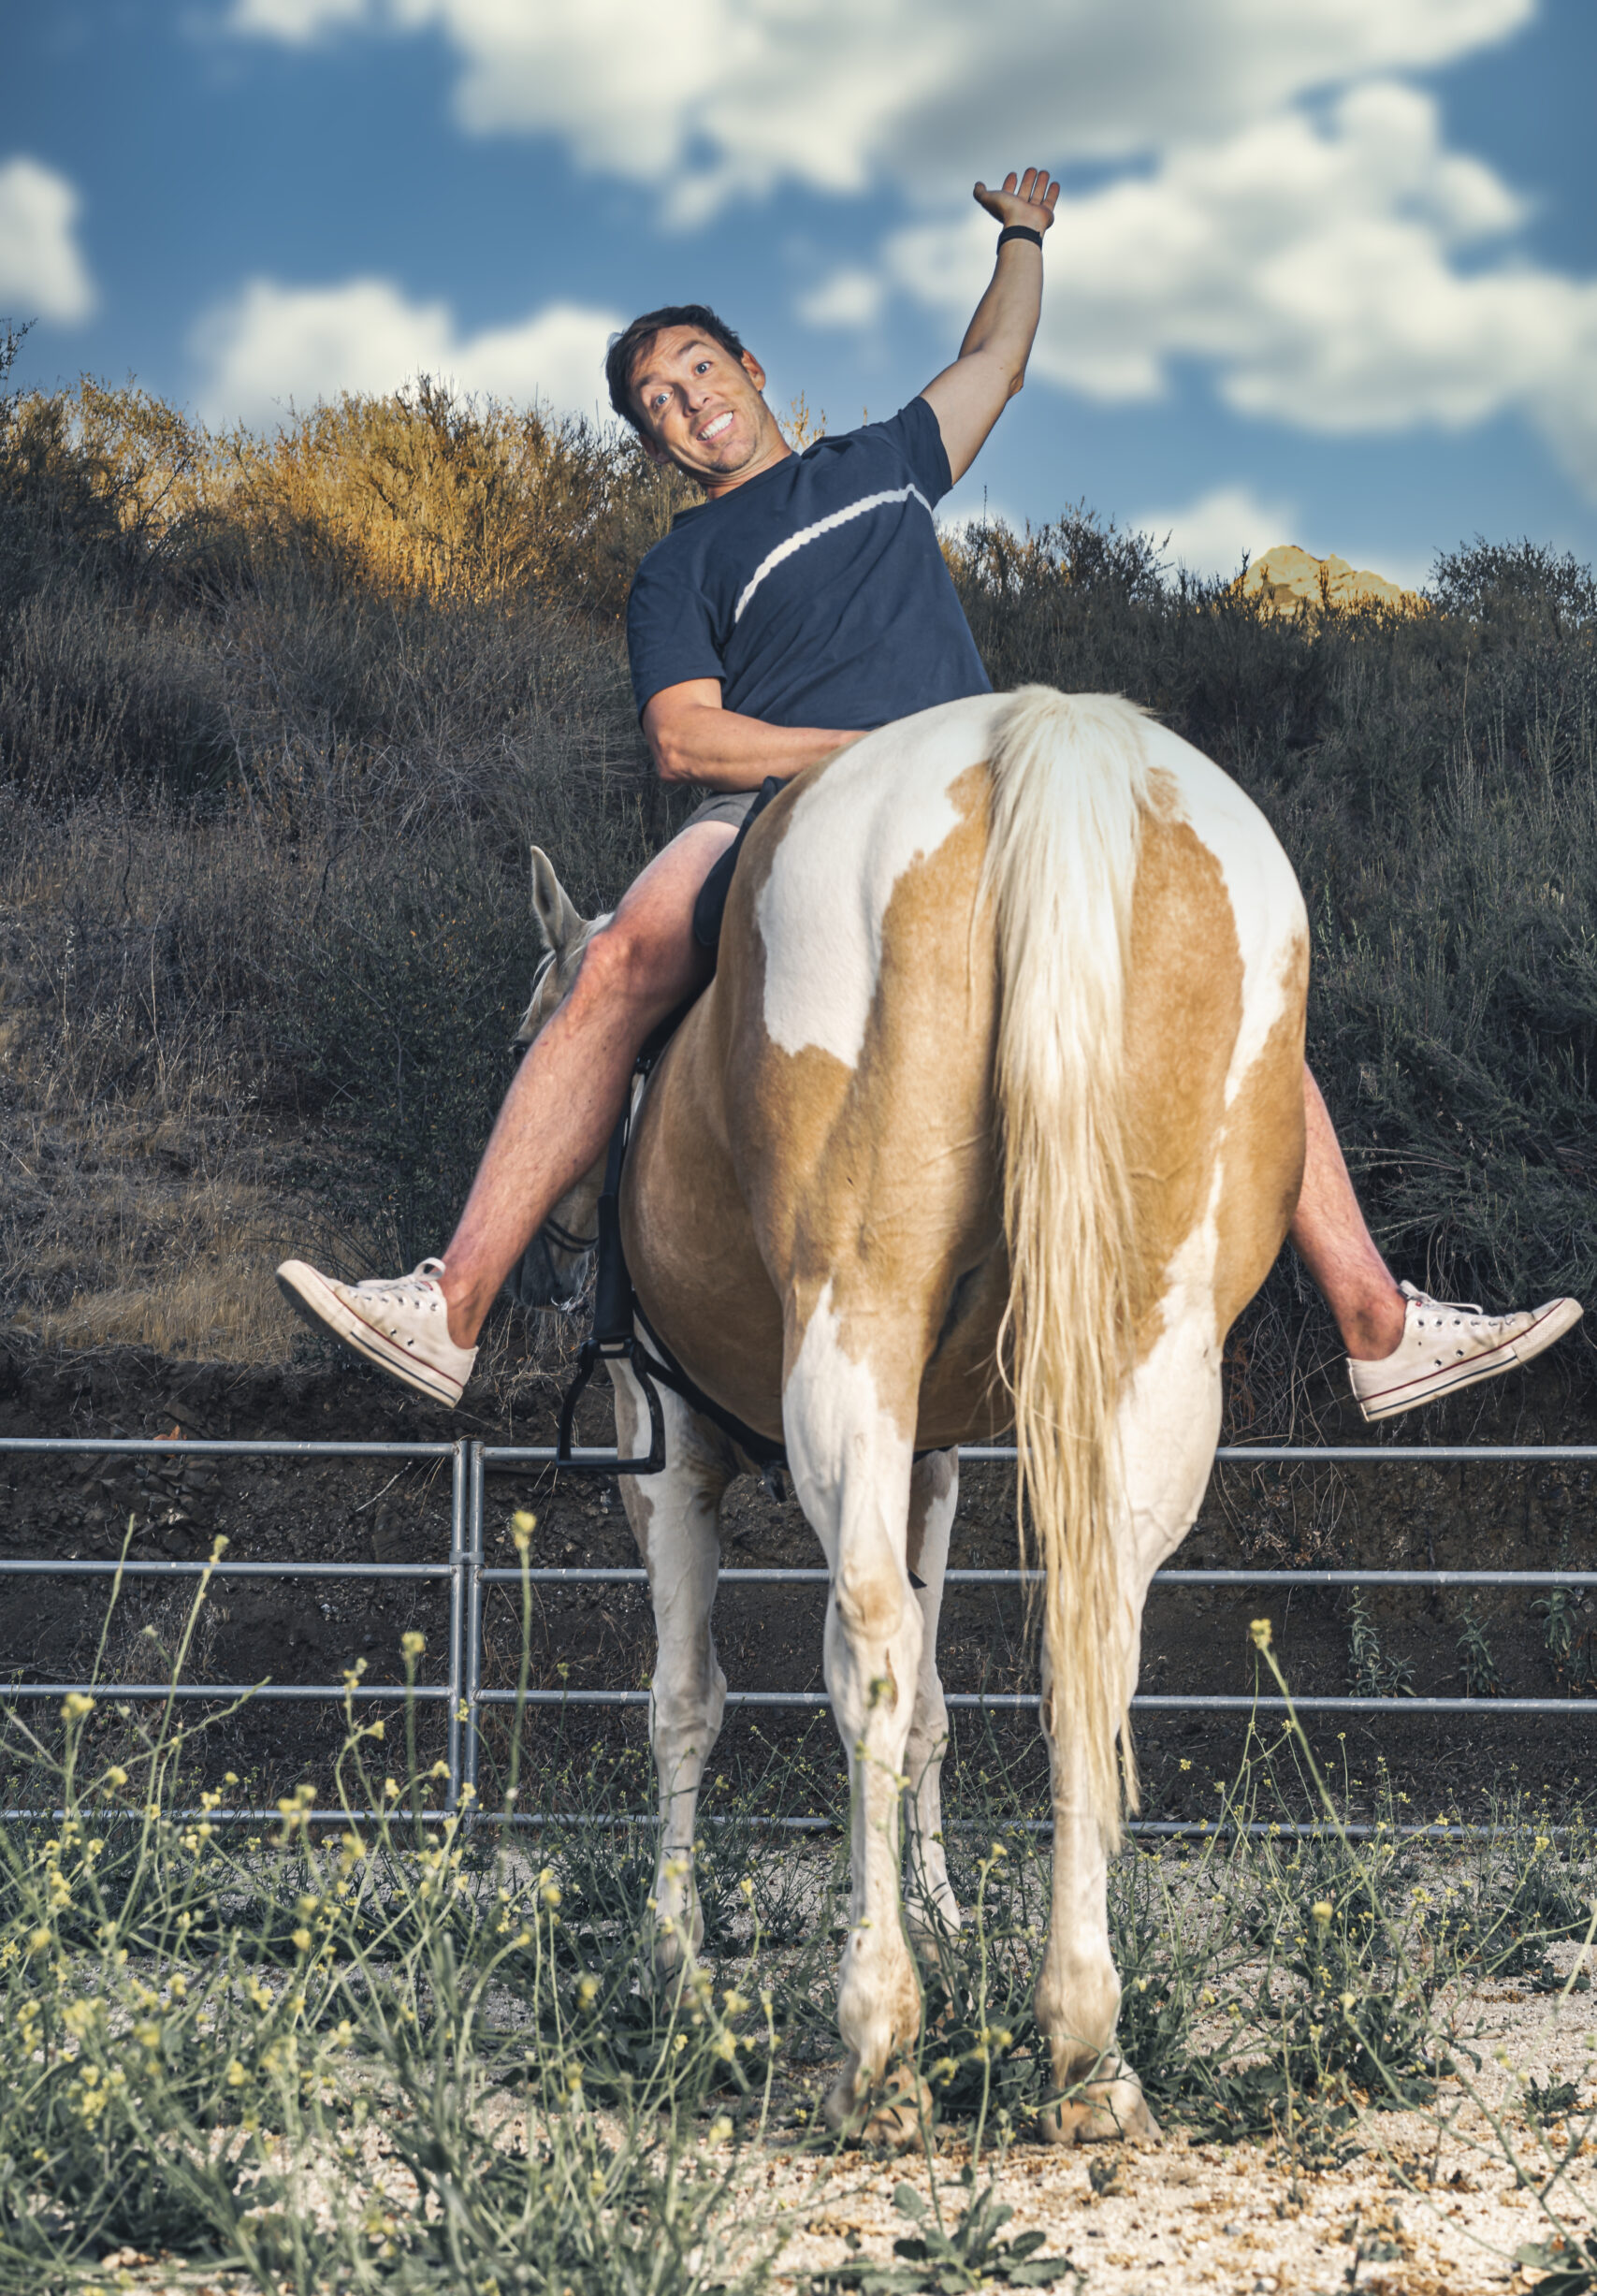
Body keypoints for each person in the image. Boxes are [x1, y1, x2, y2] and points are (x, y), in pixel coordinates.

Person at [277, 167, 1580, 1420]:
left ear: (751, 370)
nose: (686, 402)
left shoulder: (882, 461)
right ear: (653, 442)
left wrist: (1024, 241)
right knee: (616, 959)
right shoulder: (681, 566)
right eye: (655, 401)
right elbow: (685, 739)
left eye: (698, 369)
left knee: (1218, 975)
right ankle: (452, 1306)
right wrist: (855, 751)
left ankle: (1378, 1323)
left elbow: (997, 360)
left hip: (979, 794)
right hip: (771, 808)